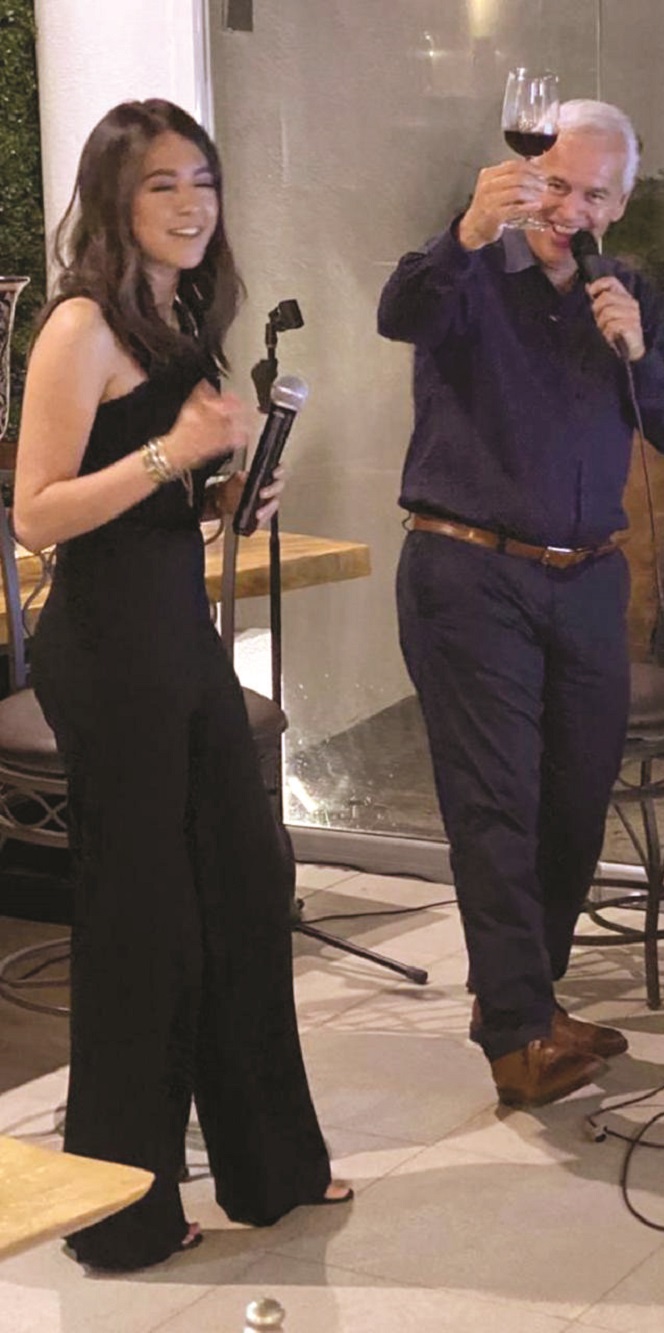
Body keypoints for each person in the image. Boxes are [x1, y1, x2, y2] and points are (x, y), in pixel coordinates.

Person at [14, 98, 351, 1273]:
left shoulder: (179, 318)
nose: (191, 202)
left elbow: (152, 498)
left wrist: (222, 495)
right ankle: (120, 1211)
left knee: (246, 890)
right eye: (163, 183)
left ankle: (273, 1166)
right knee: (144, 924)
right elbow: (39, 511)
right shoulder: (82, 326)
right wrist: (172, 453)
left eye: (202, 179)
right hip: (109, 650)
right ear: (115, 197)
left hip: (177, 635)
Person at [377, 100, 664, 1108]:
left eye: (594, 193)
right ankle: (518, 1032)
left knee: (572, 804)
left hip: (588, 580)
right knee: (496, 803)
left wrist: (639, 352)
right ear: (524, 176)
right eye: (556, 183)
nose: (571, 209)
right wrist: (469, 231)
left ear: (621, 203)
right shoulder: (467, 270)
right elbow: (401, 312)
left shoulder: (630, 292)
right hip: (469, 573)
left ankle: (528, 1001)